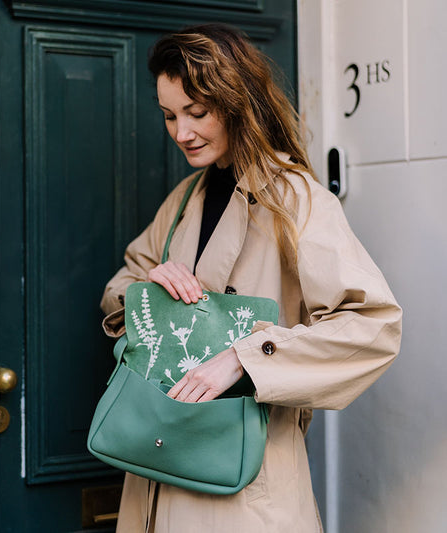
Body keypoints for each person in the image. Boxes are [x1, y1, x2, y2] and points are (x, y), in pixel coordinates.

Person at [100, 23, 402, 533]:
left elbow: (373, 326)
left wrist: (244, 358)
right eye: (170, 115)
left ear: (238, 103)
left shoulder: (296, 200)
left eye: (197, 113)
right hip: (154, 466)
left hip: (243, 489)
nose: (181, 132)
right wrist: (150, 284)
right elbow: (120, 285)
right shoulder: (185, 198)